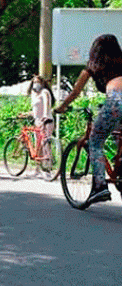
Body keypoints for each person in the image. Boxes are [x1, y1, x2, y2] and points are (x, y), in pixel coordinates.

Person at [55, 34, 122, 205]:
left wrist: (62, 107)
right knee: (118, 137)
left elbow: (75, 92)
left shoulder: (92, 68)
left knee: (95, 141)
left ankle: (99, 187)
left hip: (117, 100)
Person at [26, 74, 55, 167]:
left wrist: (45, 116)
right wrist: (26, 114)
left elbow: (47, 105)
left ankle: (49, 165)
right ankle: (39, 168)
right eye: (34, 82)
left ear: (42, 83)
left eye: (38, 82)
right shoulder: (34, 95)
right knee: (38, 146)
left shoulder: (44, 92)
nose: (36, 84)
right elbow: (36, 111)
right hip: (37, 123)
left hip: (46, 121)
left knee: (45, 143)